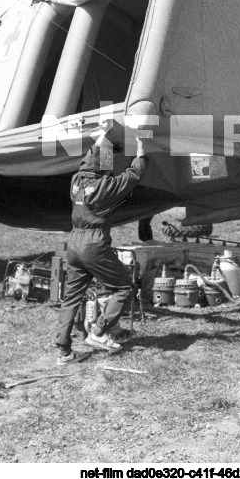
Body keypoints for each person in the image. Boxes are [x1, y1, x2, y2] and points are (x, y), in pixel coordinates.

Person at [55, 139, 147, 364]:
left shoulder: (75, 182)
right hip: (94, 244)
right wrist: (141, 148)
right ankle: (98, 332)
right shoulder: (106, 187)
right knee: (123, 287)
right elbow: (134, 174)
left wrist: (102, 139)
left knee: (71, 298)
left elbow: (94, 163)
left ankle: (64, 351)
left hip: (74, 243)